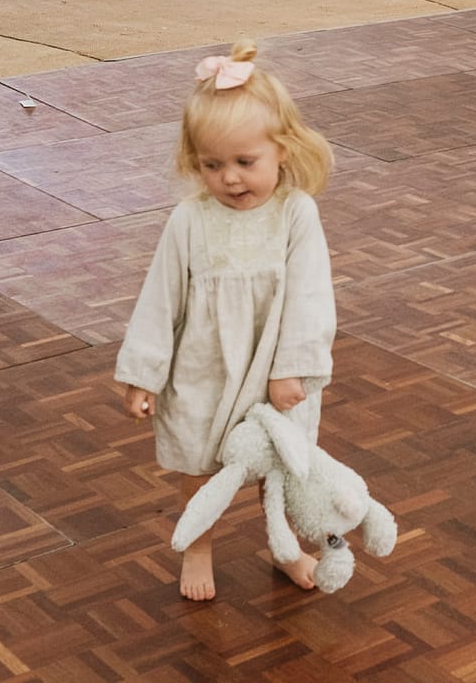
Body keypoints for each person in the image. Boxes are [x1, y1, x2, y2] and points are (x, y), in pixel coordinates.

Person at [114, 41, 337, 601]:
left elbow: (311, 296)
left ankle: (286, 548)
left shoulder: (295, 214)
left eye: (245, 162)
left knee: (284, 467)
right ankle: (199, 543)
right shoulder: (190, 220)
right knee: (199, 459)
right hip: (205, 367)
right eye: (212, 165)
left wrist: (293, 369)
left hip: (273, 371)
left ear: (281, 150)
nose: (230, 179)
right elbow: (160, 299)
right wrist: (144, 372)